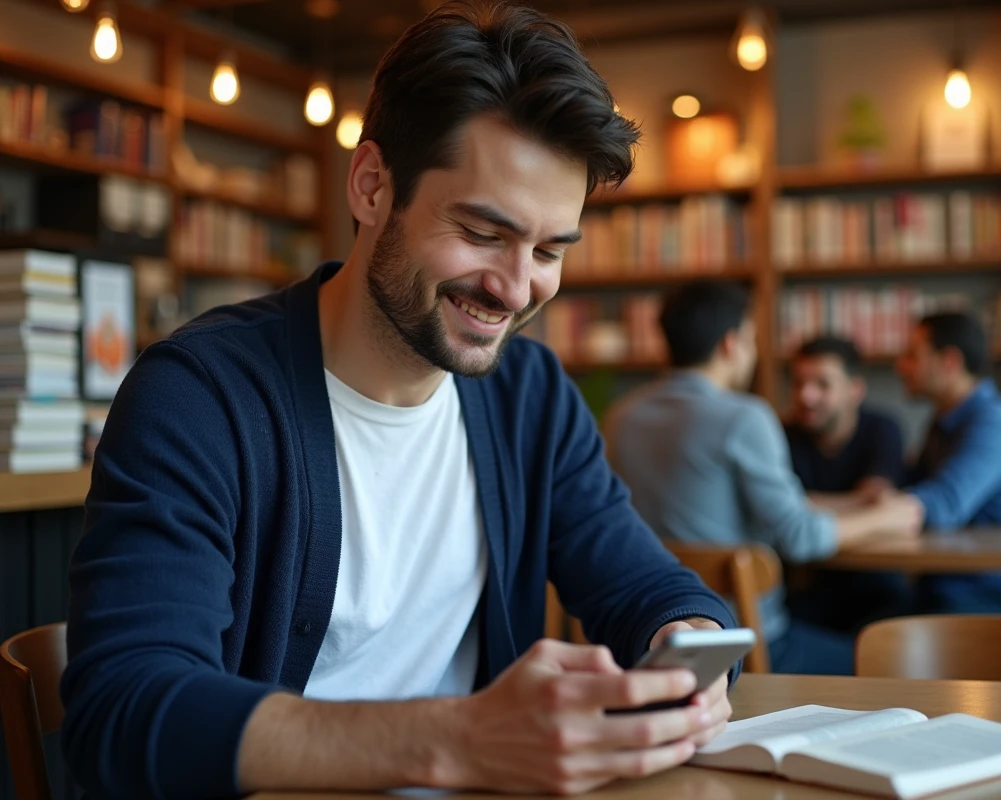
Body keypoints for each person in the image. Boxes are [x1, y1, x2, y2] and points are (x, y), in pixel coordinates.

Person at [61, 5, 740, 799]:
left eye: (550, 250)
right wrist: (460, 740)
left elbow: (637, 583)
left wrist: (684, 639)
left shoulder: (530, 396)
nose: (516, 289)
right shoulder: (200, 397)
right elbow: (123, 712)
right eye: (484, 232)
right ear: (373, 186)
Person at [604, 281, 923, 676]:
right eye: (751, 339)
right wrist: (891, 517)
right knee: (898, 657)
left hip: (650, 634)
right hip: (745, 641)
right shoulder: (744, 417)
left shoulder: (622, 418)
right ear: (730, 343)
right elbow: (799, 536)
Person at [896, 310, 1001, 615]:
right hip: (953, 585)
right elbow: (910, 487)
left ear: (950, 361)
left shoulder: (994, 420)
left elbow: (941, 505)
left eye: (912, 355)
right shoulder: (942, 420)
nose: (900, 365)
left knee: (874, 644)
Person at [783, 336, 911, 633]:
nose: (806, 396)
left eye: (822, 385)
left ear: (855, 390)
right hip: (809, 584)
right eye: (798, 383)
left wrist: (807, 502)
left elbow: (878, 498)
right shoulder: (782, 434)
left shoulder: (883, 428)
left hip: (876, 583)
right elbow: (784, 509)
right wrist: (856, 500)